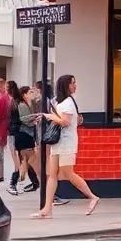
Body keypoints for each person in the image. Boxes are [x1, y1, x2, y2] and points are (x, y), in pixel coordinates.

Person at [30, 74, 99, 219]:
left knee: (68, 173)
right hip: (60, 142)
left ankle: (92, 196)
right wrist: (47, 116)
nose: (75, 86)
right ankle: (46, 208)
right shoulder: (65, 102)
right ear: (65, 86)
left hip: (66, 143)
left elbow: (65, 122)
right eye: (72, 83)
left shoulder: (67, 103)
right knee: (52, 174)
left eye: (74, 83)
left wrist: (48, 116)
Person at [8, 86, 41, 196]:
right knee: (24, 161)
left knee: (27, 160)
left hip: (26, 135)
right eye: (30, 92)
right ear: (24, 94)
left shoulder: (27, 104)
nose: (32, 94)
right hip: (24, 134)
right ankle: (13, 183)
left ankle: (35, 182)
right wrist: (36, 118)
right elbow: (25, 119)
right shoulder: (22, 105)